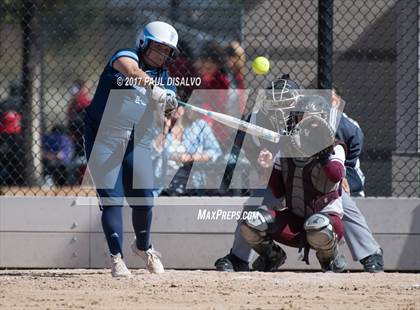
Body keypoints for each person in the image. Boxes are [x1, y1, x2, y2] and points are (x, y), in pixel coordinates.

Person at [215, 76, 384, 272]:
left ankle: (370, 253)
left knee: (340, 199)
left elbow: (353, 145)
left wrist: (342, 171)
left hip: (320, 175)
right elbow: (253, 152)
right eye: (275, 105)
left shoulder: (328, 119)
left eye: (286, 105)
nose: (280, 112)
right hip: (285, 173)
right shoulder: (255, 122)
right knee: (257, 202)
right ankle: (242, 257)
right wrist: (263, 167)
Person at [83, 21, 179, 277]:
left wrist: (170, 103)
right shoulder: (126, 55)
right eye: (157, 47)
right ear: (143, 43)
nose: (161, 54)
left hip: (137, 141)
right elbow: (131, 70)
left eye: (167, 51)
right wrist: (155, 89)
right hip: (104, 138)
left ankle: (144, 247)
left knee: (145, 199)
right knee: (112, 200)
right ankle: (116, 258)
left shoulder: (165, 78)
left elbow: (168, 109)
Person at [153, 106, 222, 196]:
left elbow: (215, 151)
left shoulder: (200, 126)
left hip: (192, 182)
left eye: (173, 107)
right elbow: (153, 152)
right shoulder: (157, 128)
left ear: (182, 109)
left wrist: (190, 157)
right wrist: (165, 128)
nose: (169, 111)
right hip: (162, 184)